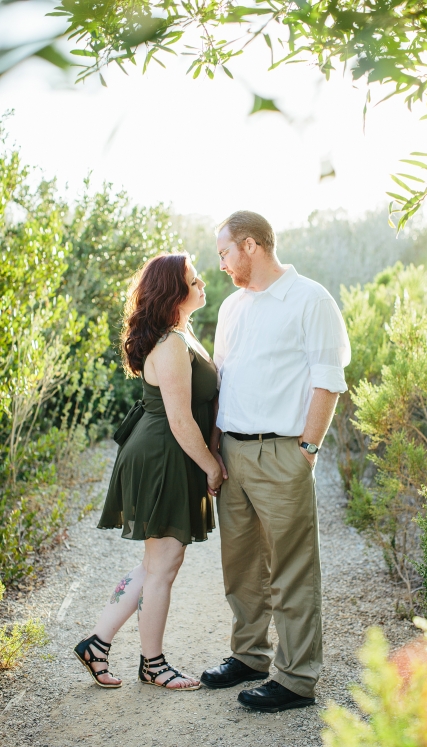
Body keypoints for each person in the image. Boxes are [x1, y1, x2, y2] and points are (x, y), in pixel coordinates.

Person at [199, 210, 350, 713]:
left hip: (283, 452)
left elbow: (328, 381)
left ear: (250, 245)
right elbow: (223, 382)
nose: (219, 263)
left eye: (223, 252)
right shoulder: (232, 308)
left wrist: (306, 450)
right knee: (240, 566)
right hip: (233, 453)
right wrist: (215, 452)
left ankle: (297, 678)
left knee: (292, 569)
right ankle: (249, 656)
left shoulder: (311, 299)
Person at [77, 252, 222, 690]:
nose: (201, 286)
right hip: (163, 453)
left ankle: (97, 645)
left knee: (157, 563)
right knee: (164, 564)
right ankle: (153, 664)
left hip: (166, 450)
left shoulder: (181, 334)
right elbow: (181, 420)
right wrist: (212, 467)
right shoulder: (172, 344)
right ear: (173, 293)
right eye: (193, 282)